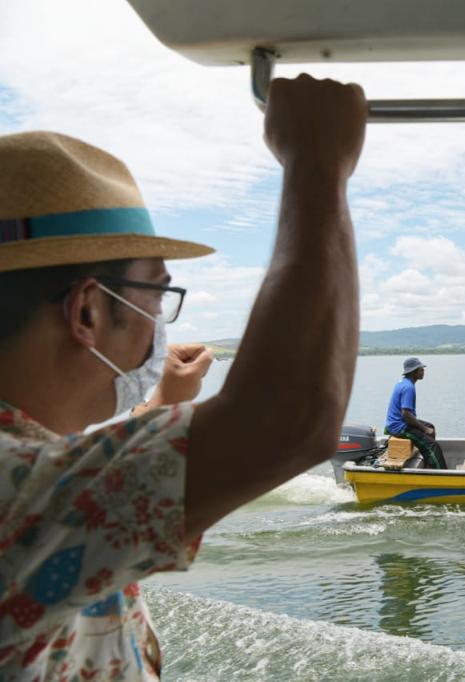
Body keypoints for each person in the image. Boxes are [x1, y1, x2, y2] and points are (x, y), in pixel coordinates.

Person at [0, 75, 367, 679]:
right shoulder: (18, 496)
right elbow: (286, 422)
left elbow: (82, 496)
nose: (161, 321)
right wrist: (318, 162)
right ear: (88, 311)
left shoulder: (42, 488)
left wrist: (166, 403)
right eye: (156, 293)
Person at [385, 357, 447, 469]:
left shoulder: (403, 382)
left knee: (430, 426)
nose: (423, 371)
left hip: (401, 421)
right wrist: (424, 429)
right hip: (399, 427)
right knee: (433, 446)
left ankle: (429, 464)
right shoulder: (408, 387)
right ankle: (441, 473)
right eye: (421, 369)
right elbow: (406, 415)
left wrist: (426, 428)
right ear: (413, 372)